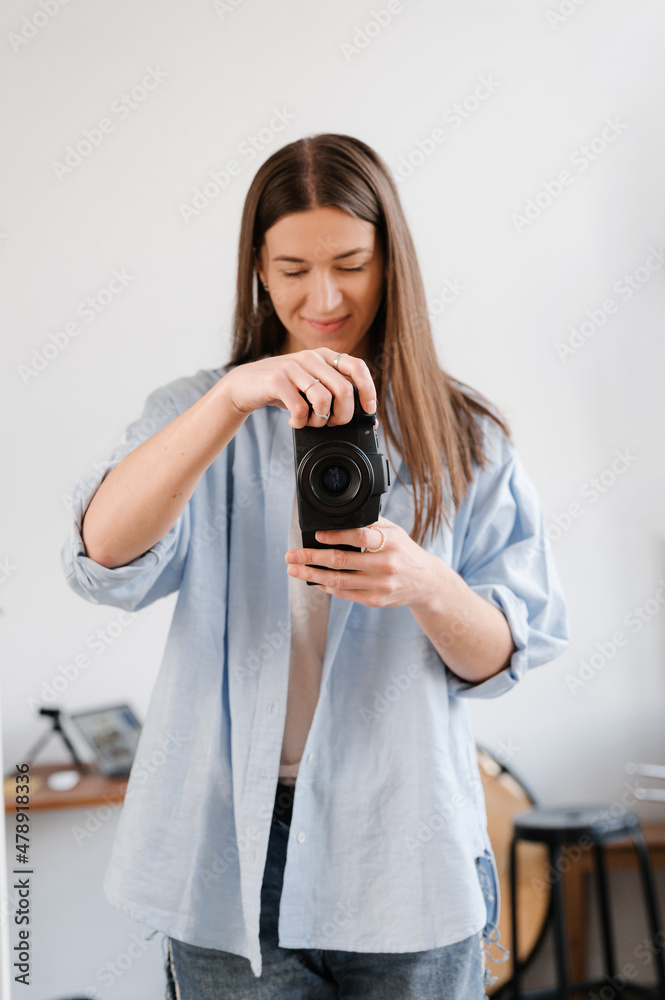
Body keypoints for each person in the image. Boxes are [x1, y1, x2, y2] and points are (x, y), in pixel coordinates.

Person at [62, 132, 570, 1000]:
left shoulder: (467, 436)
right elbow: (104, 555)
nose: (323, 297)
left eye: (351, 265)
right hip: (224, 851)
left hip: (405, 851)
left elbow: (501, 658)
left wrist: (425, 584)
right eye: (293, 269)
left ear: (391, 264)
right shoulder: (198, 412)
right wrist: (232, 396)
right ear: (258, 271)